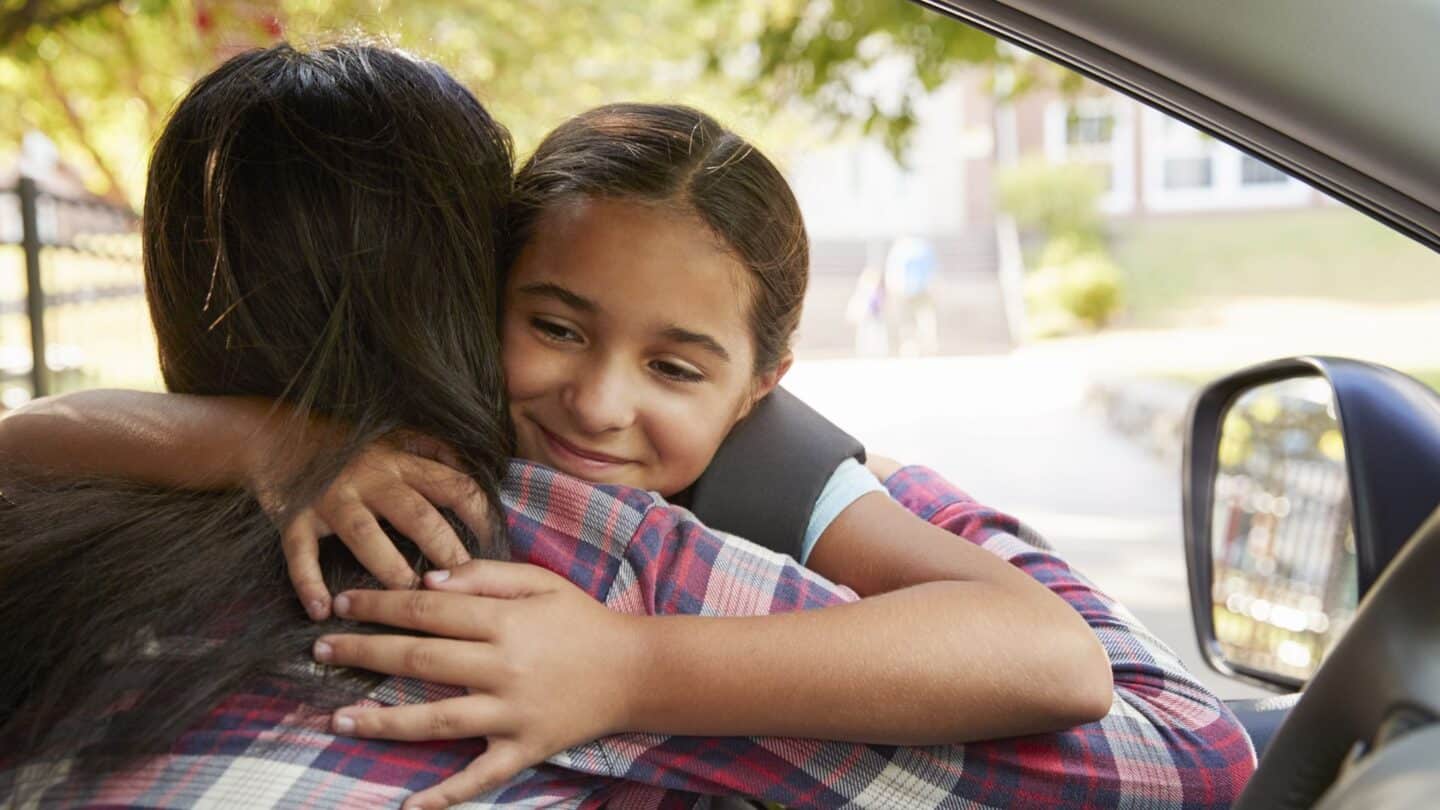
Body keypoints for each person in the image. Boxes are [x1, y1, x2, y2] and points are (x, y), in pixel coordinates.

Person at [0, 42, 1254, 810]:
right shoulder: (557, 561)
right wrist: (635, 660)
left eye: (676, 363)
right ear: (473, 286)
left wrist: (246, 439)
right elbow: (1180, 753)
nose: (599, 403)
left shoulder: (53, 534)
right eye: (551, 326)